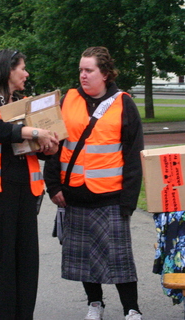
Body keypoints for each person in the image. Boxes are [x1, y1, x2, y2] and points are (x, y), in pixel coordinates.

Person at [44, 46, 144, 320]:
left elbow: (134, 157)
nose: (83, 75)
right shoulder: (68, 99)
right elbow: (54, 144)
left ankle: (131, 309)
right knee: (84, 257)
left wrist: (128, 201)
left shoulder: (124, 103)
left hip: (110, 197)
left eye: (89, 70)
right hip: (73, 193)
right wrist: (53, 186)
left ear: (106, 74)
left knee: (120, 259)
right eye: (80, 70)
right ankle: (95, 304)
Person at [0, 49, 59, 320]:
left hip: (24, 194)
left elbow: (33, 147)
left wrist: (48, 147)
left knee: (25, 259)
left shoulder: (23, 104)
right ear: (8, 70)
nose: (26, 73)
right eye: (22, 68)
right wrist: (33, 131)